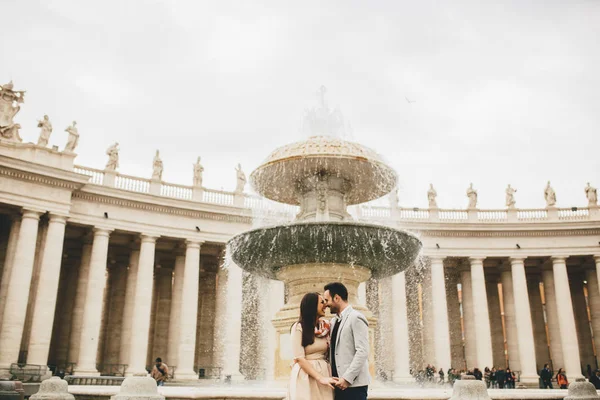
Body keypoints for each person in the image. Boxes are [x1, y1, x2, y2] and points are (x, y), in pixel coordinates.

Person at [324, 282, 370, 400]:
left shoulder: (356, 317)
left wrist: (347, 378)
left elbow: (362, 351)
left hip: (354, 386)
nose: (326, 304)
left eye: (327, 300)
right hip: (338, 384)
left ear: (337, 298)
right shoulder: (333, 322)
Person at [288, 292, 338, 400]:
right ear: (312, 305)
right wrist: (320, 378)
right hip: (306, 375)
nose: (325, 305)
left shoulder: (326, 327)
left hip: (324, 372)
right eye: (322, 302)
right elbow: (299, 358)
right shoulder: (298, 327)